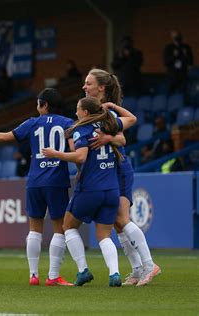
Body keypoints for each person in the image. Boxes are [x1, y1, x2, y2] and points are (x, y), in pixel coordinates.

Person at [0, 88, 74, 286]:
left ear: (45, 105)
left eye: (38, 103)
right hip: (56, 181)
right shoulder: (68, 123)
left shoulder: (32, 123)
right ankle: (53, 276)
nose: (36, 106)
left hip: (34, 181)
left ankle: (33, 275)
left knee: (34, 229)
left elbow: (5, 137)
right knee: (60, 229)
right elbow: (77, 149)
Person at [43, 96, 137, 287]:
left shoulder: (82, 129)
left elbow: (81, 156)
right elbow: (132, 119)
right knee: (104, 234)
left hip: (90, 188)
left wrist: (55, 154)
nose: (76, 112)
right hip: (112, 190)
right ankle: (114, 274)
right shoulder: (109, 123)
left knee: (68, 226)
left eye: (78, 109)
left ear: (85, 112)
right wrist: (112, 107)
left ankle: (83, 270)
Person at [84, 68, 161, 286]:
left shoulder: (109, 112)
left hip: (118, 168)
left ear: (101, 87)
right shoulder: (93, 111)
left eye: (88, 83)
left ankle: (149, 264)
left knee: (122, 219)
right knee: (118, 223)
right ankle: (137, 269)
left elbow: (122, 140)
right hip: (105, 170)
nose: (84, 87)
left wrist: (108, 137)